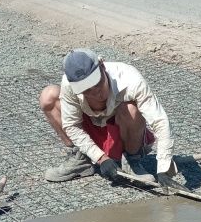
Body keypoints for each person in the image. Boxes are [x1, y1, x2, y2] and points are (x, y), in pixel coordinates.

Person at [39, 49, 180, 192]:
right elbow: (71, 125)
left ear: (102, 65)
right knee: (48, 97)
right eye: (87, 90)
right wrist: (101, 158)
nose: (95, 93)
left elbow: (160, 121)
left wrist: (163, 169)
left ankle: (131, 161)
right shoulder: (70, 85)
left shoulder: (129, 78)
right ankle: (81, 159)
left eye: (97, 83)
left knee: (131, 109)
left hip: (120, 132)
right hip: (90, 129)